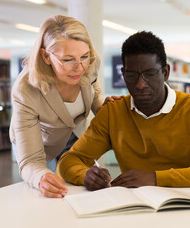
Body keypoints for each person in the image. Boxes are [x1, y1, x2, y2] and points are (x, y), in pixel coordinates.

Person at [58, 31, 190, 191]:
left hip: (188, 204)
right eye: (131, 75)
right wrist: (86, 175)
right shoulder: (112, 113)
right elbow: (69, 161)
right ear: (123, 74)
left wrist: (155, 178)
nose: (140, 84)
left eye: (150, 74)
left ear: (166, 72)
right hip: (136, 207)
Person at [9, 15, 116, 198]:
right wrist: (41, 177)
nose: (79, 67)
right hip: (43, 143)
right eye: (68, 60)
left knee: (91, 188)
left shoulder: (90, 61)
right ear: (46, 56)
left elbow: (93, 86)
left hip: (75, 136)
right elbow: (31, 161)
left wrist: (100, 106)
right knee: (49, 190)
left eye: (84, 57)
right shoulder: (25, 90)